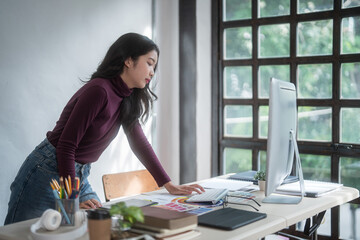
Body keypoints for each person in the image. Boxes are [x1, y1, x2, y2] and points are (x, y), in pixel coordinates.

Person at [4, 32, 204, 225]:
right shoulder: (99, 90)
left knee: (97, 228)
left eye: (154, 66)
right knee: (19, 234)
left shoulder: (127, 97)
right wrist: (71, 202)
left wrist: (168, 185)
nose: (152, 72)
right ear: (128, 60)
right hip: (48, 171)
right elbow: (66, 146)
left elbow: (139, 143)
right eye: (149, 63)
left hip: (77, 174)